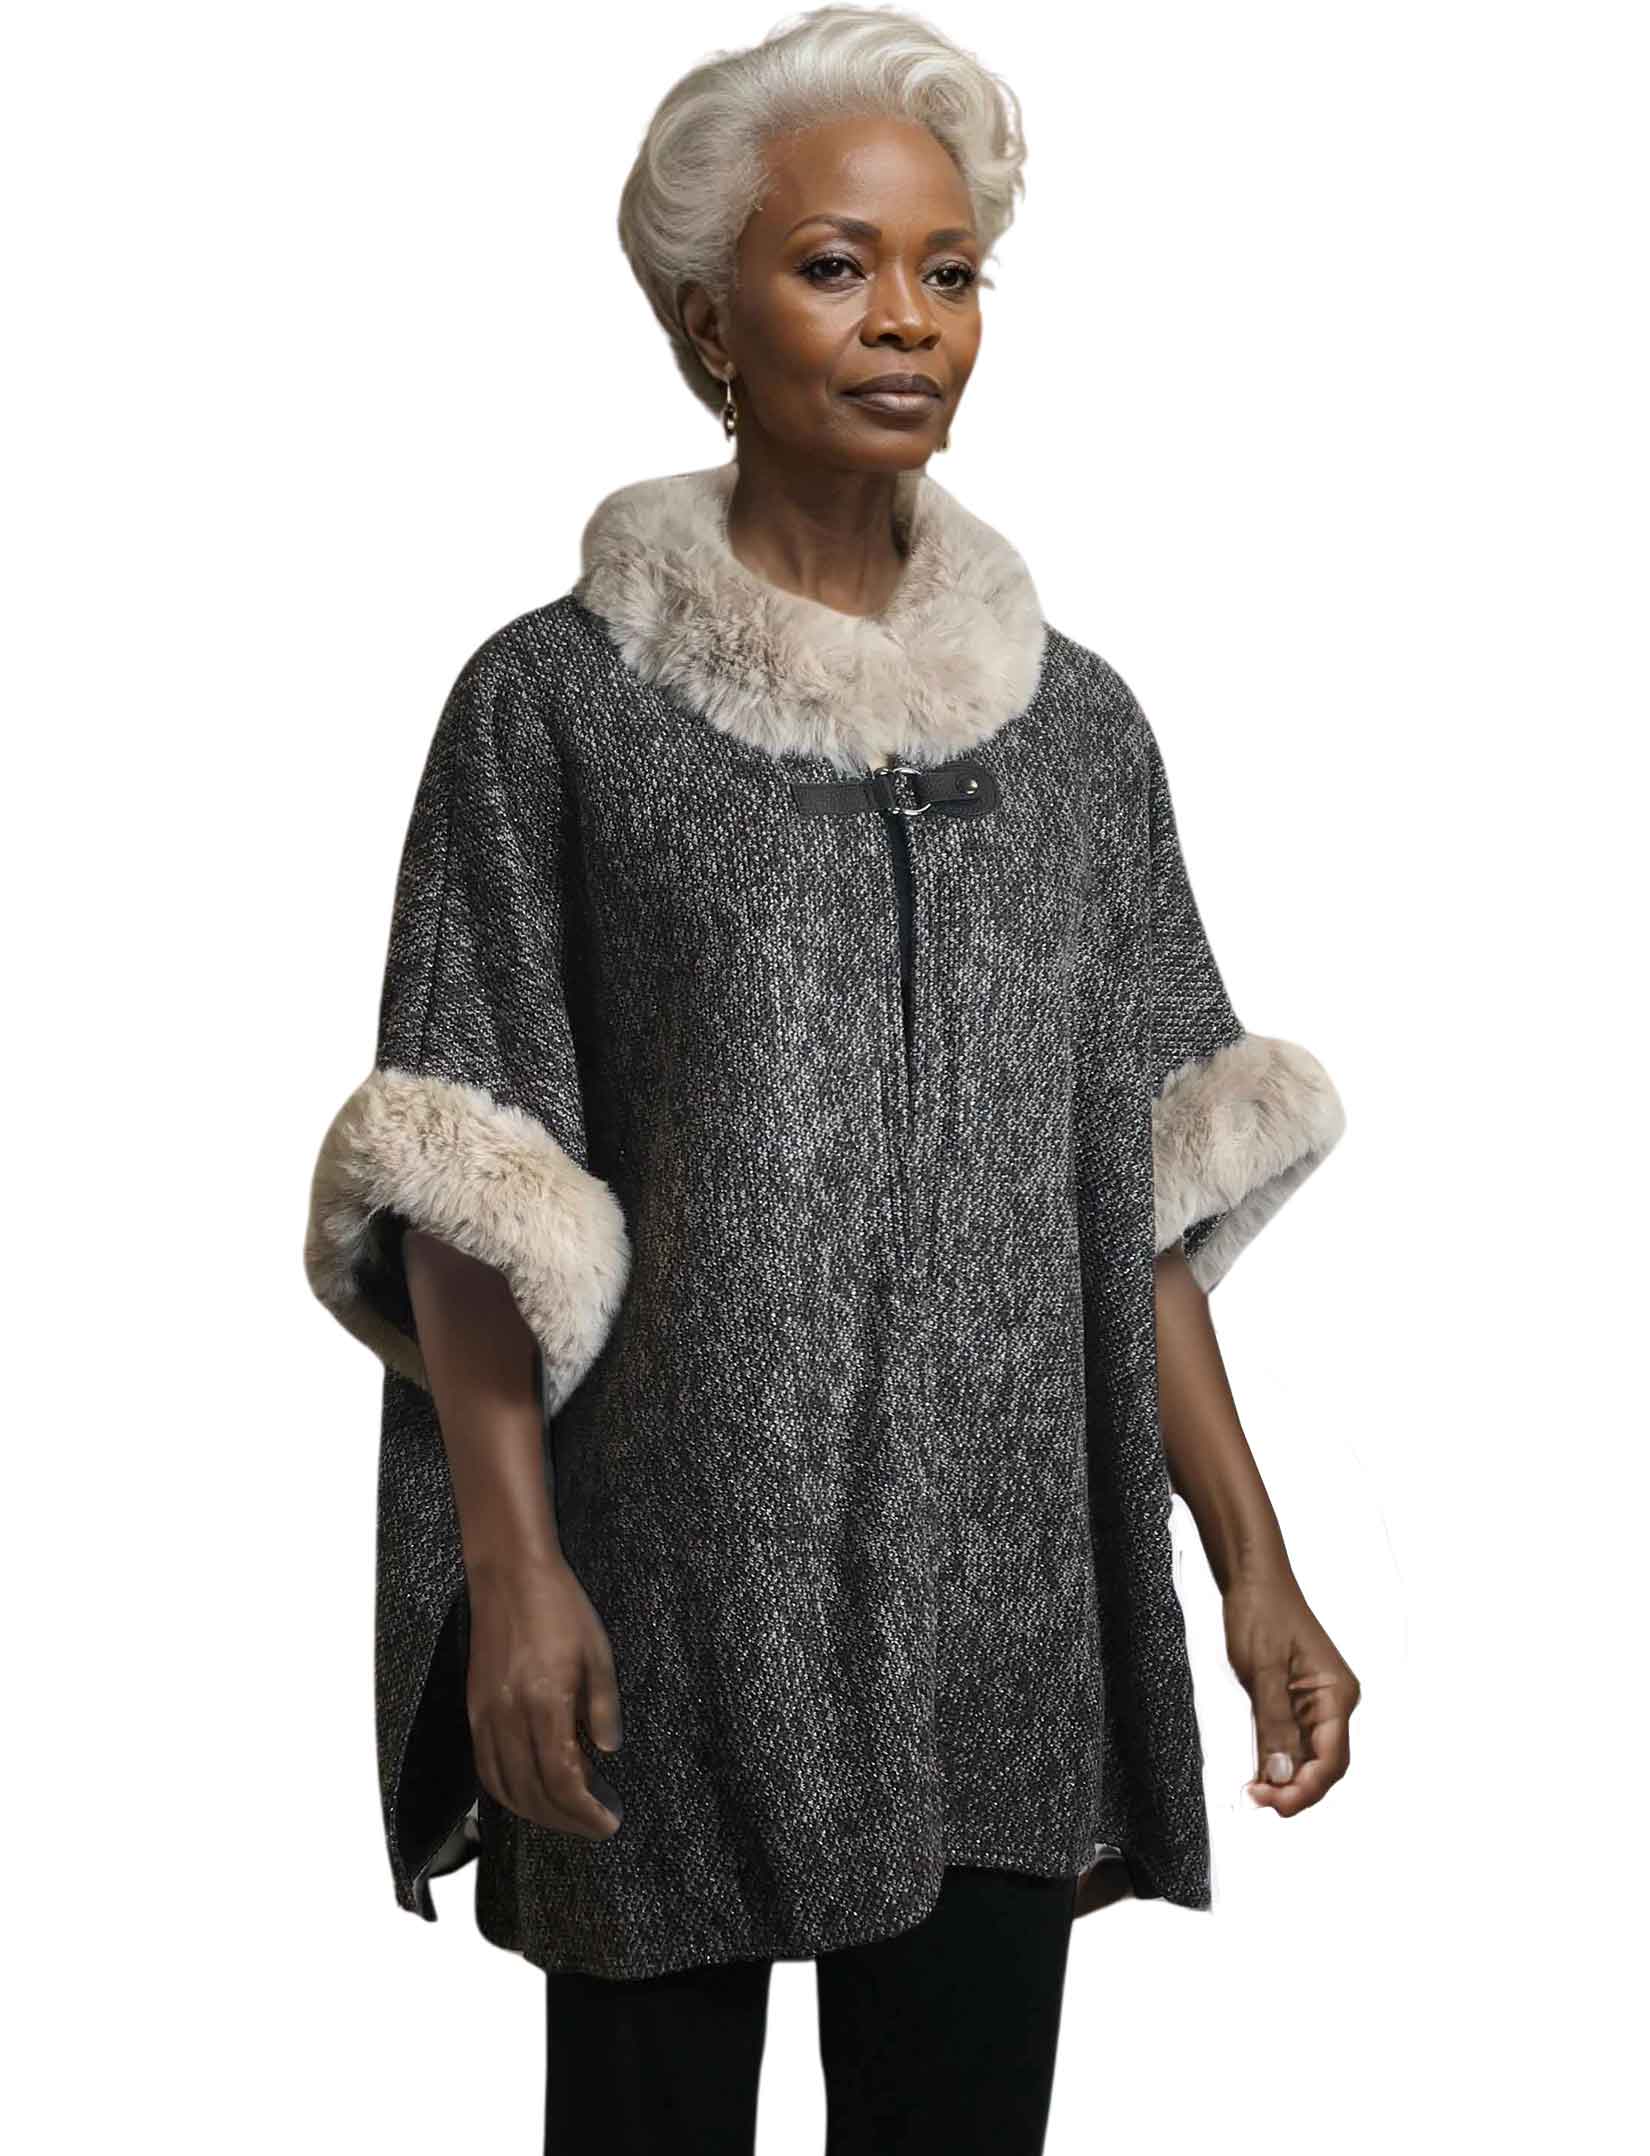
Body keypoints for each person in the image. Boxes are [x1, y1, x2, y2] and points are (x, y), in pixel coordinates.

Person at [302, 8, 1358, 2150]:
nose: (906, 320)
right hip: (666, 1584)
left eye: (949, 271)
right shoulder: (556, 708)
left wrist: (1250, 1556)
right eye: (835, 265)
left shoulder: (1076, 736)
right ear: (710, 322)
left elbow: (1132, 1197)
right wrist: (514, 1571)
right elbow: (475, 1180)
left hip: (999, 1593)